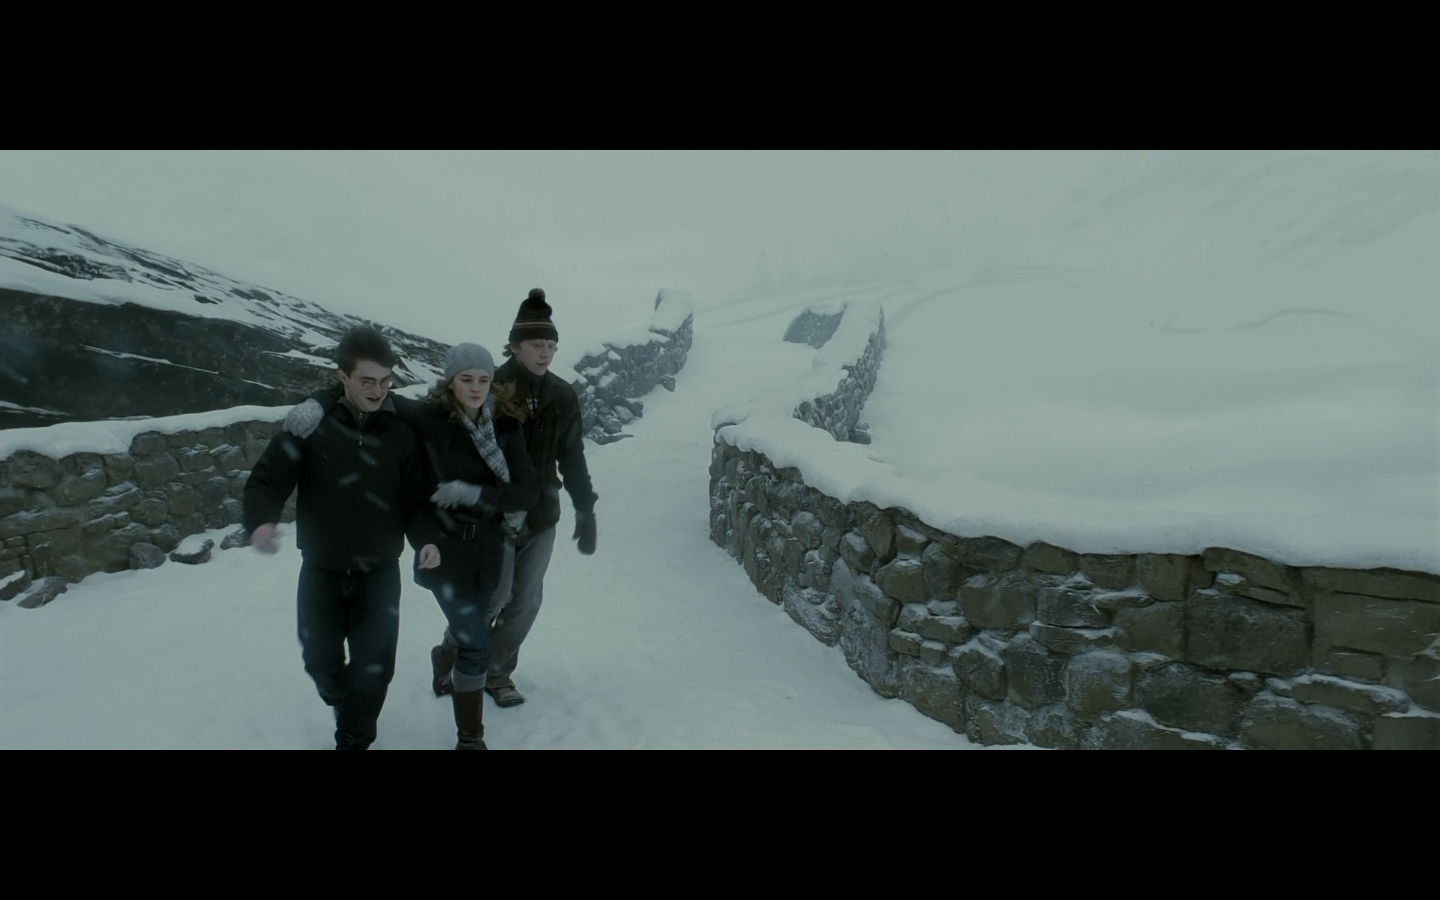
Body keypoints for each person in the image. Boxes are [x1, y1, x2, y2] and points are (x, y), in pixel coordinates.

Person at [285, 343, 538, 750]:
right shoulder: (428, 417)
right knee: (477, 644)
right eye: (466, 379)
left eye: (483, 379)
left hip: (491, 551)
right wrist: (317, 403)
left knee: (475, 631)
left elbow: (527, 492)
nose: (475, 387)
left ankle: (444, 658)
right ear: (450, 381)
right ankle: (471, 739)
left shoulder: (506, 427)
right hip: (444, 552)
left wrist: (475, 494)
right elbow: (363, 388)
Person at [243, 327, 441, 751]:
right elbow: (268, 478)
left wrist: (426, 539)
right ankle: (342, 699)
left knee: (374, 669)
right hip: (321, 568)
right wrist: (261, 521)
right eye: (367, 381)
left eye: (385, 381)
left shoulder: (401, 434)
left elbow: (417, 501)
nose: (377, 391)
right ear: (342, 377)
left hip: (380, 572)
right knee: (320, 663)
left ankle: (353, 737)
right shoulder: (312, 426)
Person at [455, 287, 597, 707]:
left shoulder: (563, 394)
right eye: (537, 344)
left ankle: (496, 673)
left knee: (526, 600)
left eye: (551, 345)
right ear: (515, 345)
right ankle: (453, 653)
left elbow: (572, 454)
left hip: (542, 512)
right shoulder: (489, 388)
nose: (545, 353)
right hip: (494, 513)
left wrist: (585, 509)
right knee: (491, 597)